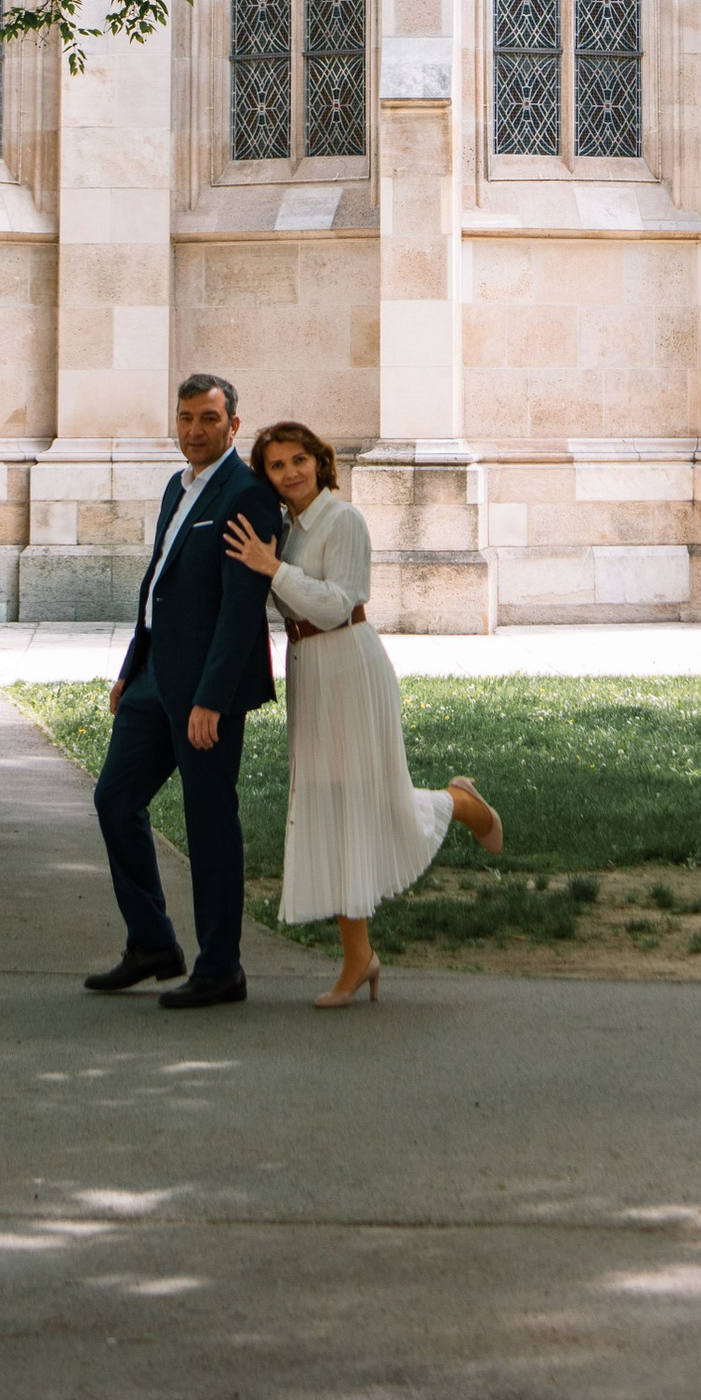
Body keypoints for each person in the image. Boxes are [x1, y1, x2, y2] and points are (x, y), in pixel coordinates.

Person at [223, 422, 501, 1008]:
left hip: (350, 662)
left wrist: (273, 569)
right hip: (309, 670)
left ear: (319, 461)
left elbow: (334, 604)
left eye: (299, 459)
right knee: (328, 801)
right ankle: (360, 955)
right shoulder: (286, 530)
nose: (290, 472)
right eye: (276, 465)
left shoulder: (343, 520)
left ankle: (461, 804)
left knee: (366, 800)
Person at [84, 372, 287, 1012]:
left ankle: (221, 968)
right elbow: (158, 582)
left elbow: (240, 608)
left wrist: (212, 698)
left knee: (209, 824)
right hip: (151, 681)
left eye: (208, 419)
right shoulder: (178, 485)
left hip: (205, 694)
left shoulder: (247, 495)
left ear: (233, 426)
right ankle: (152, 944)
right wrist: (130, 665)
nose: (194, 431)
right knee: (115, 800)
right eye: (185, 418)